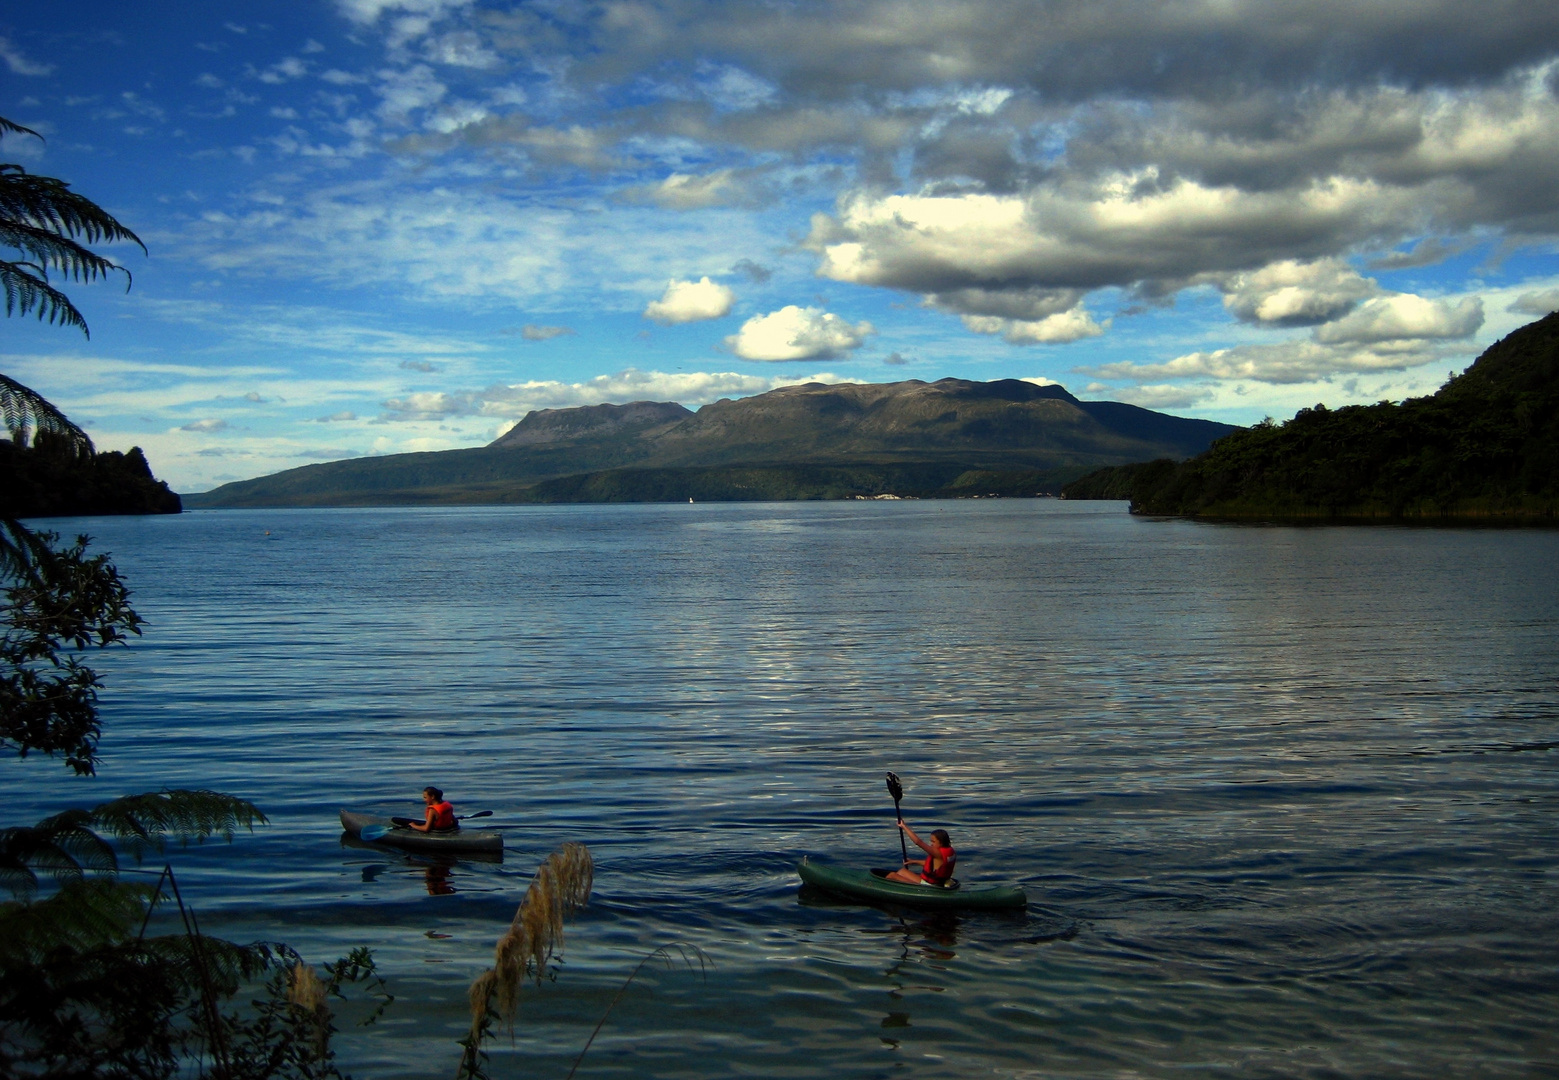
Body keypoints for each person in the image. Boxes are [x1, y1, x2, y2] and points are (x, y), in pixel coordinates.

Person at [886, 821, 956, 886]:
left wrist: (904, 826)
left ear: (941, 842)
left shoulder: (937, 853)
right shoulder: (949, 851)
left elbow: (918, 842)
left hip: (929, 885)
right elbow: (933, 865)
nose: (931, 844)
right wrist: (913, 861)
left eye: (933, 842)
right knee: (902, 872)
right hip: (939, 882)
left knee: (891, 876)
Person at [391, 786, 458, 833]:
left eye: (425, 797)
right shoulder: (447, 804)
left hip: (437, 830)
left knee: (401, 821)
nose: (424, 800)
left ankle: (394, 822)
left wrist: (414, 826)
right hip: (447, 828)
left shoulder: (432, 810)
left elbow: (426, 829)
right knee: (398, 820)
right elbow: (455, 821)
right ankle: (394, 820)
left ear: (432, 797)